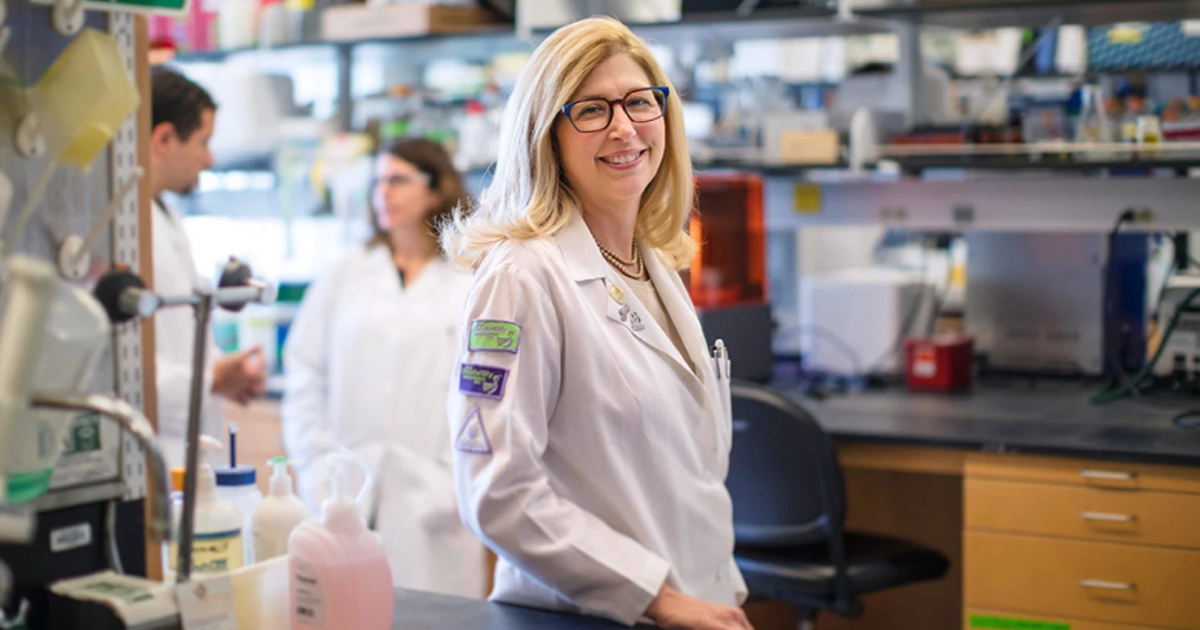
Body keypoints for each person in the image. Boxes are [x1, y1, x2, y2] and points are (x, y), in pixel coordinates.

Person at [440, 17, 751, 630]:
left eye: (640, 102)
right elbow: (497, 491)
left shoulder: (653, 260)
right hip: (593, 613)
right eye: (591, 110)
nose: (625, 127)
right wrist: (658, 598)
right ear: (546, 134)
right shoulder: (523, 276)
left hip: (697, 605)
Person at [282, 138, 487, 598]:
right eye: (377, 182)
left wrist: (460, 484)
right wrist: (314, 464)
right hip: (346, 490)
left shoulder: (470, 277)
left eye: (397, 180)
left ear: (435, 191)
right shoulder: (346, 275)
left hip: (439, 497)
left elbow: (491, 390)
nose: (382, 194)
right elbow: (305, 373)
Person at [150, 69, 267, 467]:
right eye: (203, 141)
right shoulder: (124, 228)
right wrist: (214, 380)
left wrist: (221, 374)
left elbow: (176, 337)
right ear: (163, 139)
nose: (210, 158)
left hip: (186, 447)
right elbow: (122, 367)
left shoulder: (164, 215)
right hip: (154, 454)